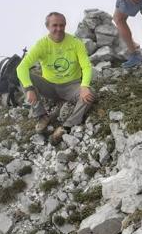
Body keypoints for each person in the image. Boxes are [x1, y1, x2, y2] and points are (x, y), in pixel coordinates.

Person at [16, 12, 95, 144]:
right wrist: (29, 88)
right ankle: (42, 116)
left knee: (90, 94)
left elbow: (86, 66)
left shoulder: (75, 42)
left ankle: (67, 126)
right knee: (25, 77)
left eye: (62, 25)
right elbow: (21, 68)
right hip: (50, 86)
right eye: (55, 25)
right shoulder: (41, 44)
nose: (59, 29)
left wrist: (85, 86)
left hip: (71, 86)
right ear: (47, 26)